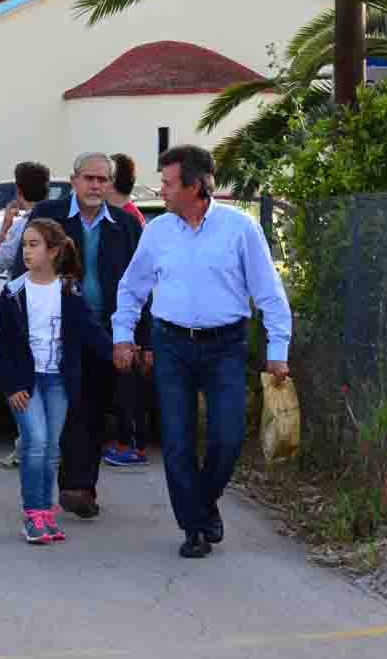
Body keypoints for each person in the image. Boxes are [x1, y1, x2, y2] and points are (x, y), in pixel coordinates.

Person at [113, 145, 292, 559]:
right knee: (177, 442)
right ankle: (193, 527)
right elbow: (132, 288)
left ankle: (205, 502)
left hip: (226, 345)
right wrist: (123, 335)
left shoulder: (240, 229)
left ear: (195, 186)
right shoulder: (157, 231)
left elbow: (269, 293)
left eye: (168, 183)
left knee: (228, 437)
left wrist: (278, 350)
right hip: (171, 344)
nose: (161, 190)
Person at [9, 152, 145, 519]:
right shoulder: (48, 216)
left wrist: (139, 339)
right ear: (74, 181)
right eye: (89, 178)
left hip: (106, 333)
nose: (95, 186)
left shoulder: (125, 224)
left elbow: (143, 283)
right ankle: (67, 486)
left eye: (102, 180)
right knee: (66, 409)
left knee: (95, 409)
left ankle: (80, 487)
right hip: (56, 332)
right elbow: (21, 269)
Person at [0, 218, 113, 545]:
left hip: (58, 381)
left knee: (51, 449)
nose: (26, 251)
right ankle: (33, 515)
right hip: (26, 382)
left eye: (34, 245)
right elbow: (2, 344)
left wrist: (120, 352)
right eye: (24, 245)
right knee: (35, 443)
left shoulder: (68, 291)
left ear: (54, 251)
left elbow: (91, 332)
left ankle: (46, 513)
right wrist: (12, 385)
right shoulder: (14, 292)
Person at [0, 161, 55, 469]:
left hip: (24, 311)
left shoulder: (22, 226)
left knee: (22, 378)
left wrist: (4, 226)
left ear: (18, 190)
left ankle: (27, 446)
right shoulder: (55, 223)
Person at [106, 151, 152, 465]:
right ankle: (124, 439)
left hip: (131, 317)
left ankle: (133, 444)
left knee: (130, 385)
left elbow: (140, 278)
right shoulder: (119, 214)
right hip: (120, 315)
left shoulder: (129, 218)